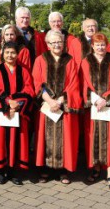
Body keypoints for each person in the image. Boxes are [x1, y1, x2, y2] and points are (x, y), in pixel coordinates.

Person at [81, 33, 110, 191]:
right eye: (97, 44)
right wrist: (95, 99)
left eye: (103, 44)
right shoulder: (86, 62)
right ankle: (95, 169)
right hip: (94, 106)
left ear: (107, 45)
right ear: (92, 46)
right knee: (93, 138)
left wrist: (106, 99)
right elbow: (84, 83)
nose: (100, 47)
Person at [32, 30, 81, 184]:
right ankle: (45, 169)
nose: (57, 44)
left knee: (65, 137)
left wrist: (59, 101)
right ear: (47, 44)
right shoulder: (41, 59)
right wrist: (49, 100)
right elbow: (37, 81)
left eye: (59, 41)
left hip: (63, 105)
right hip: (46, 105)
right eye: (53, 42)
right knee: (45, 137)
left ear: (63, 43)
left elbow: (73, 84)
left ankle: (62, 170)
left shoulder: (70, 60)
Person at [0, 42, 34, 185]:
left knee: (18, 141)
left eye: (13, 52)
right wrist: (8, 102)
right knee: (1, 141)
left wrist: (17, 104)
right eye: (7, 52)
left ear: (17, 54)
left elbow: (29, 89)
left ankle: (15, 172)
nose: (10, 55)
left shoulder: (24, 71)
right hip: (2, 113)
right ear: (2, 53)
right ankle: (2, 172)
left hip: (18, 113)